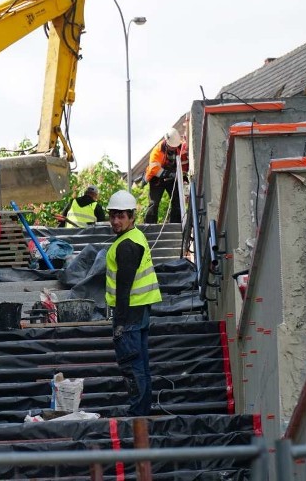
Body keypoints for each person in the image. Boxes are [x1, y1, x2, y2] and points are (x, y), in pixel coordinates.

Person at [105, 190, 162, 416]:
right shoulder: (136, 236)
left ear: (131, 217)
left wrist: (118, 322)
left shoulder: (126, 245)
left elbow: (124, 288)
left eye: (121, 216)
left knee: (132, 369)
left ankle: (138, 417)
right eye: (113, 216)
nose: (116, 221)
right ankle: (143, 416)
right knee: (141, 367)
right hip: (140, 312)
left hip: (129, 315)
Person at [144, 128, 186, 223]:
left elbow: (184, 163)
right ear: (166, 141)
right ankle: (149, 226)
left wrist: (183, 176)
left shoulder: (180, 148)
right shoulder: (157, 150)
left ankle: (175, 224)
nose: (173, 148)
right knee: (154, 203)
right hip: (157, 179)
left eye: (174, 147)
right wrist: (169, 174)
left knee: (177, 201)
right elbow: (154, 169)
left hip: (172, 179)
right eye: (171, 147)